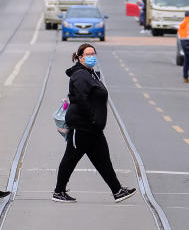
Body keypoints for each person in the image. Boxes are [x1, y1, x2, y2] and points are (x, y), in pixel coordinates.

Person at [53, 43, 136, 203]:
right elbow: (82, 99)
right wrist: (93, 117)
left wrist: (96, 121)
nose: (91, 57)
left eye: (93, 54)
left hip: (94, 129)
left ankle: (117, 191)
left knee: (103, 160)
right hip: (82, 127)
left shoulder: (90, 73)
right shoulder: (80, 75)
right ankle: (58, 191)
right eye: (88, 54)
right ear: (80, 57)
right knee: (70, 159)